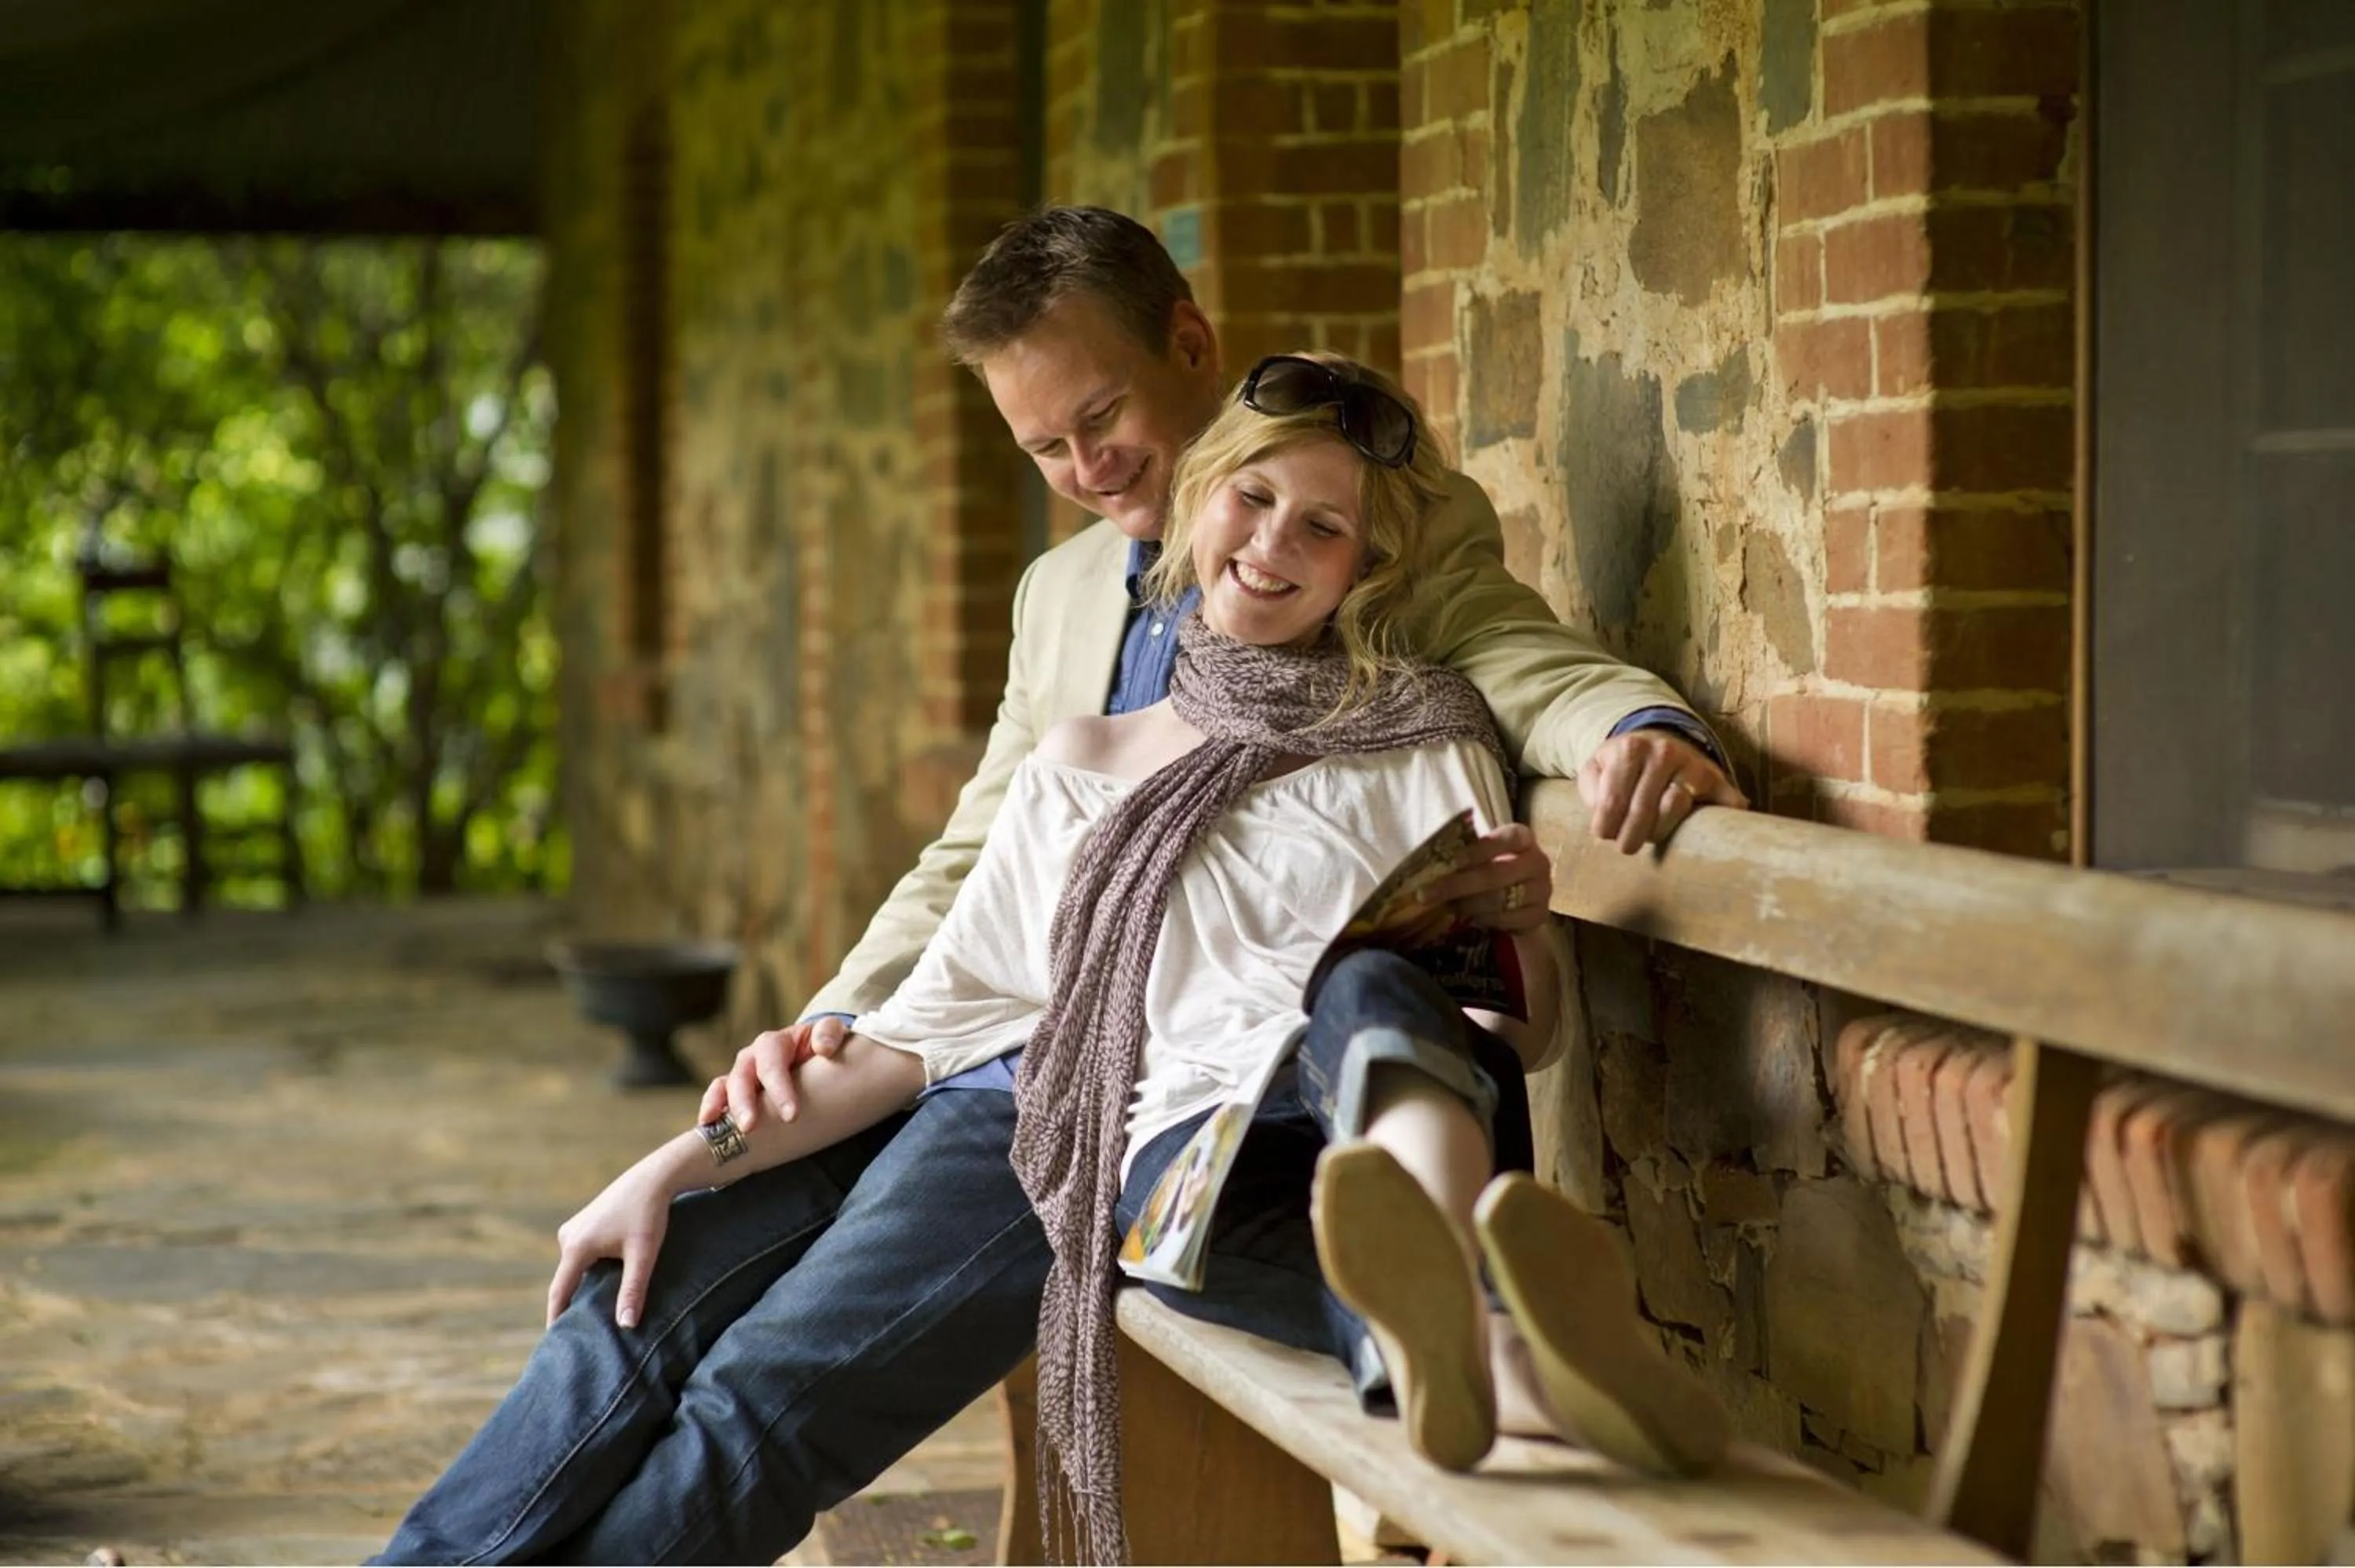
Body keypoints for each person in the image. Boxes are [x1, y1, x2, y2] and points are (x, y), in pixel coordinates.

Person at [373, 210, 1741, 1565]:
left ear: (1190, 347)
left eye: (1103, 417)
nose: (1086, 467)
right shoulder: (1064, 597)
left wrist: (1636, 730)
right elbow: (978, 852)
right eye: (1043, 446)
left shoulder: (1366, 534)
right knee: (633, 1287)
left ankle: (1476, 1322)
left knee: (762, 1397)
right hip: (962, 1043)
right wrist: (827, 1026)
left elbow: (1525, 663)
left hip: (1116, 1112)